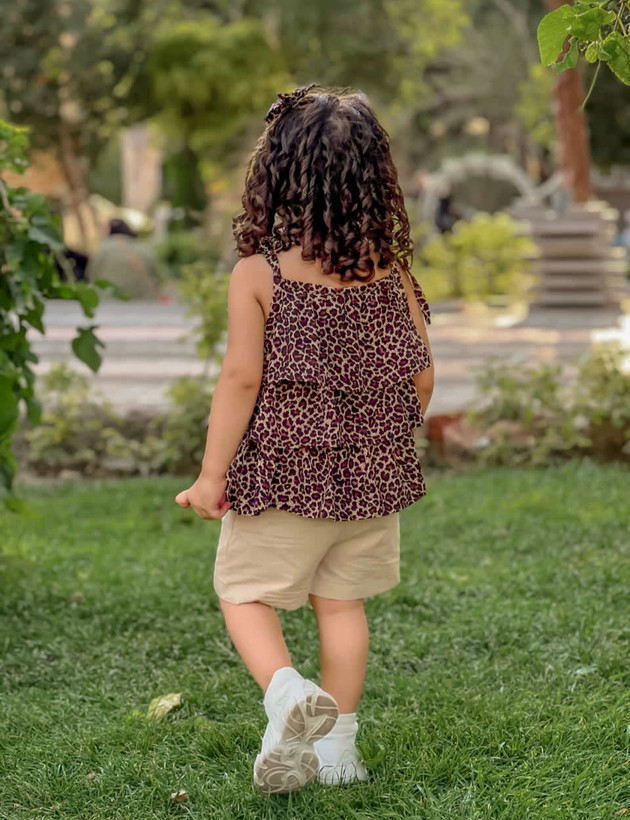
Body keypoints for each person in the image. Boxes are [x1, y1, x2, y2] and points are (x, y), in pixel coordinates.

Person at [175, 86, 435, 795]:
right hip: (371, 481)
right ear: (374, 180)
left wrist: (211, 476)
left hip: (284, 480)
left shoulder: (259, 275)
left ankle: (287, 692)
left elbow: (240, 381)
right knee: (343, 606)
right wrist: (380, 438)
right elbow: (420, 373)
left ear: (277, 176)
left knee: (242, 594)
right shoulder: (391, 271)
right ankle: (341, 751)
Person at [86, 218, 163, 299]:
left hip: (110, 299)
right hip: (143, 300)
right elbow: (158, 275)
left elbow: (91, 274)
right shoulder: (144, 248)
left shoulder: (102, 248)